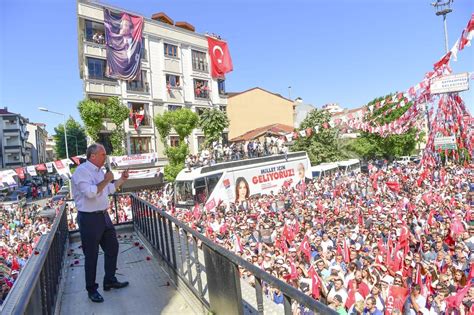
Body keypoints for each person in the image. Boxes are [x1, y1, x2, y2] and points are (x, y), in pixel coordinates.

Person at [71, 143, 130, 303]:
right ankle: (92, 289)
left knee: (113, 247)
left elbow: (108, 189)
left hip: (103, 216)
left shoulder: (99, 171)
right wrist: (106, 180)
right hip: (89, 219)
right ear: (93, 156)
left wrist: (120, 180)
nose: (106, 157)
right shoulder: (81, 172)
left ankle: (109, 280)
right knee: (91, 256)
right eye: (103, 154)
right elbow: (91, 193)